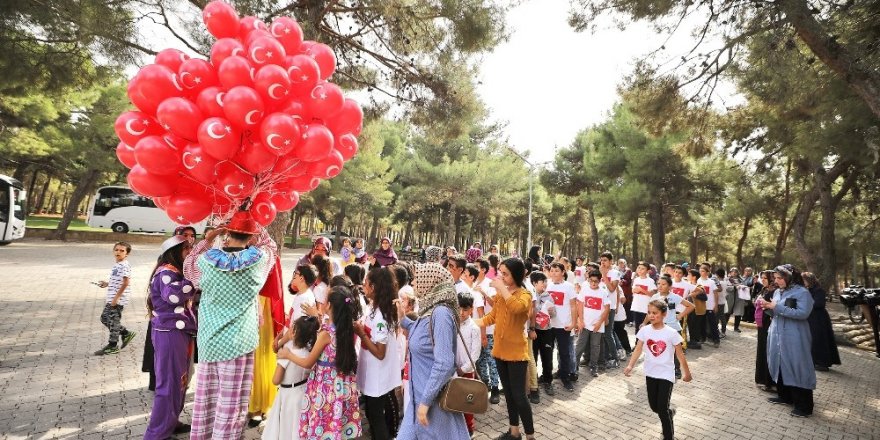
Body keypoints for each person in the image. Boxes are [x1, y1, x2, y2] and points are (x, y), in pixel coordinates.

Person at [184, 211, 278, 439]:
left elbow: (188, 266)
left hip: (209, 341)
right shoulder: (258, 261)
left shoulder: (206, 261)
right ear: (251, 237)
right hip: (239, 343)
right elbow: (271, 246)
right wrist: (253, 221)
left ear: (226, 234)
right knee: (231, 406)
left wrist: (208, 239)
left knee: (205, 402)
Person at [396, 263, 470, 440]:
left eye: (417, 278)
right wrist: (402, 318)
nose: (413, 282)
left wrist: (426, 402)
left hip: (433, 404)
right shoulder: (430, 310)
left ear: (430, 281)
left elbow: (444, 362)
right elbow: (423, 336)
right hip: (419, 401)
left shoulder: (441, 313)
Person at [474, 258, 536, 440]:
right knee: (508, 394)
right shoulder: (503, 294)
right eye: (500, 273)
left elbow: (517, 308)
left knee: (520, 396)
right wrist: (470, 322)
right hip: (500, 352)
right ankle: (514, 431)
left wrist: (501, 288)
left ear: (516, 275)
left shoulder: (525, 294)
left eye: (505, 274)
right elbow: (491, 317)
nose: (501, 277)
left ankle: (530, 436)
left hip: (516, 354)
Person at [143, 236, 196, 439]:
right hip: (169, 334)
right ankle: (156, 434)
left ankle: (170, 422)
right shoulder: (166, 272)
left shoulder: (174, 271)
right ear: (175, 252)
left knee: (179, 381)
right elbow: (173, 296)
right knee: (168, 384)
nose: (190, 253)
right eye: (187, 249)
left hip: (178, 333)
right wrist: (194, 279)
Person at [624, 300, 693, 440]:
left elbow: (679, 354)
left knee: (661, 408)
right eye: (649, 313)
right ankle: (670, 412)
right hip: (650, 373)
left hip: (666, 374)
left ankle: (669, 436)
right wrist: (630, 365)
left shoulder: (671, 333)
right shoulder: (644, 330)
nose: (651, 315)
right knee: (654, 407)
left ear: (664, 314)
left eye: (655, 313)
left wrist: (687, 373)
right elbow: (638, 349)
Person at [355, 267, 403, 440]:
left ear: (374, 287)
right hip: (372, 372)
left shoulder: (381, 315)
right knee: (371, 412)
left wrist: (361, 333)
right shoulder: (374, 307)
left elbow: (380, 352)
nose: (363, 285)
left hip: (378, 374)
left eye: (366, 283)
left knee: (375, 415)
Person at [764, 264, 816, 417]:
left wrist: (776, 307)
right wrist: (766, 306)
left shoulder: (802, 293)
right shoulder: (778, 292)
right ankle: (785, 396)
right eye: (776, 278)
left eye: (780, 278)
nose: (777, 281)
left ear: (789, 277)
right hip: (778, 334)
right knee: (780, 362)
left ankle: (804, 406)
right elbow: (776, 311)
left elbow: (803, 313)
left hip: (794, 336)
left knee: (797, 366)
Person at [261, 315, 319, 440]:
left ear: (294, 333)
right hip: (302, 394)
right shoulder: (309, 354)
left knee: (285, 427)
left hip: (287, 395)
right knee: (297, 427)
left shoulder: (286, 354)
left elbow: (275, 380)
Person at [94, 241, 136, 355]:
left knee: (113, 321)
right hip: (113, 297)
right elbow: (118, 281)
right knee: (105, 318)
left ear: (127, 254)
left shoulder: (124, 265)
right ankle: (126, 333)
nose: (118, 252)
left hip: (118, 299)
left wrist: (116, 298)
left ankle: (113, 346)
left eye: (122, 251)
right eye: (116, 250)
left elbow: (126, 282)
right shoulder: (117, 265)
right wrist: (107, 283)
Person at [649, 275, 695, 379]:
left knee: (675, 351)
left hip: (673, 328)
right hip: (659, 328)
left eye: (663, 284)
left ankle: (677, 370)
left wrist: (679, 316)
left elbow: (691, 306)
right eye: (659, 284)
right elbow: (650, 313)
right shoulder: (654, 297)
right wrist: (644, 323)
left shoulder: (674, 297)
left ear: (670, 286)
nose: (660, 286)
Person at [545, 262, 578, 391]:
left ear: (563, 272)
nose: (553, 273)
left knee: (564, 353)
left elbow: (574, 305)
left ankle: (565, 377)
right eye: (551, 270)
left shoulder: (568, 287)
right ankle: (547, 377)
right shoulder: (547, 284)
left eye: (556, 270)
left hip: (563, 325)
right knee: (547, 352)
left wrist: (574, 323)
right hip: (548, 325)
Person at [455, 292, 482, 437]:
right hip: (453, 370)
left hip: (467, 372)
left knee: (467, 402)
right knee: (453, 401)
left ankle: (469, 429)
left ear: (471, 309)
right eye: (459, 308)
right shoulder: (452, 324)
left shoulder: (474, 328)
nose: (461, 313)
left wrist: (463, 369)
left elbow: (475, 354)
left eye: (465, 309)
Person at [802, 272, 841, 372]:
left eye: (804, 280)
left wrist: (804, 303)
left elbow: (819, 304)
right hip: (811, 318)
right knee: (812, 340)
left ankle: (822, 363)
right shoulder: (808, 290)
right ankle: (814, 361)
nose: (803, 282)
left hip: (819, 319)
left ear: (809, 280)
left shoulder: (819, 290)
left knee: (819, 340)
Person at [575, 271, 610, 377]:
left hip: (597, 325)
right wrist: (580, 320)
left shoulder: (603, 292)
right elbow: (580, 305)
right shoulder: (584, 290)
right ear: (588, 280)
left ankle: (593, 366)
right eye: (591, 281)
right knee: (580, 345)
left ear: (600, 281)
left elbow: (607, 308)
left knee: (595, 347)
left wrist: (600, 323)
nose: (593, 283)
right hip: (585, 324)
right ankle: (574, 366)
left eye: (596, 281)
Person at [530, 271, 555, 396]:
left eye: (546, 281)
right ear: (534, 283)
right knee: (533, 358)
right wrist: (531, 329)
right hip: (533, 331)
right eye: (542, 282)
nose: (545, 284)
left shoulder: (548, 296)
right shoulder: (529, 296)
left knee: (547, 357)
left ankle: (547, 381)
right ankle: (533, 383)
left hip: (546, 331)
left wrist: (551, 311)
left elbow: (554, 314)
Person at [754, 270, 776, 392]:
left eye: (765, 278)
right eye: (762, 278)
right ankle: (761, 379)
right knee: (761, 350)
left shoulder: (774, 292)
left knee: (768, 351)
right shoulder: (764, 289)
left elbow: (772, 308)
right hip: (761, 324)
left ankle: (769, 381)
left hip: (768, 323)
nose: (763, 280)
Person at [697, 263, 721, 348]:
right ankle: (702, 338)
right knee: (701, 323)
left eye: (703, 271)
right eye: (700, 271)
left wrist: (716, 305)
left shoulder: (711, 282)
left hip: (710, 306)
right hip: (701, 306)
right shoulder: (698, 281)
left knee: (713, 324)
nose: (701, 272)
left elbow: (715, 294)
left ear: (707, 272)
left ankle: (716, 340)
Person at [630, 261, 657, 334]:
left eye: (642, 269)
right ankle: (637, 343)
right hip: (636, 306)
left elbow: (652, 294)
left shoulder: (650, 281)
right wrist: (634, 290)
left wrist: (641, 290)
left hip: (645, 308)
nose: (640, 270)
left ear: (648, 271)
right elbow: (633, 290)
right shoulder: (636, 279)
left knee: (646, 327)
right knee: (637, 327)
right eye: (638, 268)